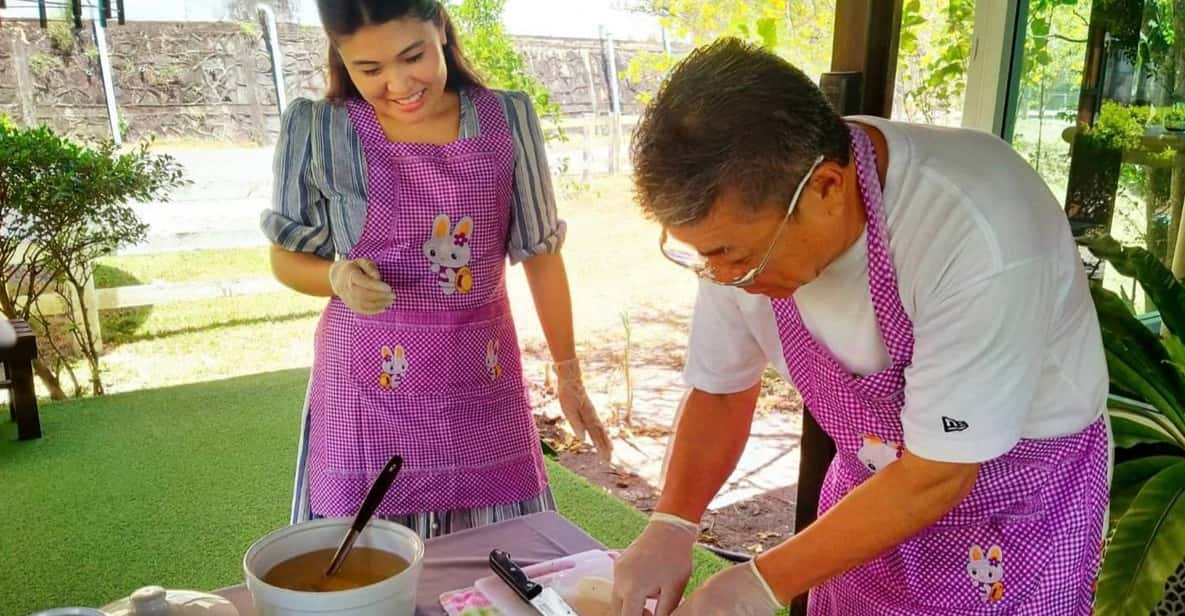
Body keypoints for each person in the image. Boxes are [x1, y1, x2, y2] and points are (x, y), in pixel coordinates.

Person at [612, 38, 1110, 615]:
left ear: (826, 187)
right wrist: (672, 522)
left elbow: (938, 473)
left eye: (733, 255)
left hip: (1013, 502)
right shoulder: (740, 227)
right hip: (871, 495)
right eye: (704, 257)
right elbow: (722, 392)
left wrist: (761, 581)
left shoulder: (976, 229)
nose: (723, 277)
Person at [260, 0, 611, 539]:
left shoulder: (508, 117)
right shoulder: (318, 129)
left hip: (480, 386)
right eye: (369, 69)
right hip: (364, 401)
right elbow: (285, 256)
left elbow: (540, 253)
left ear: (440, 28)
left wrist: (569, 373)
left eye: (412, 56)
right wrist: (333, 278)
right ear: (341, 57)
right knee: (362, 573)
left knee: (495, 567)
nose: (399, 84)